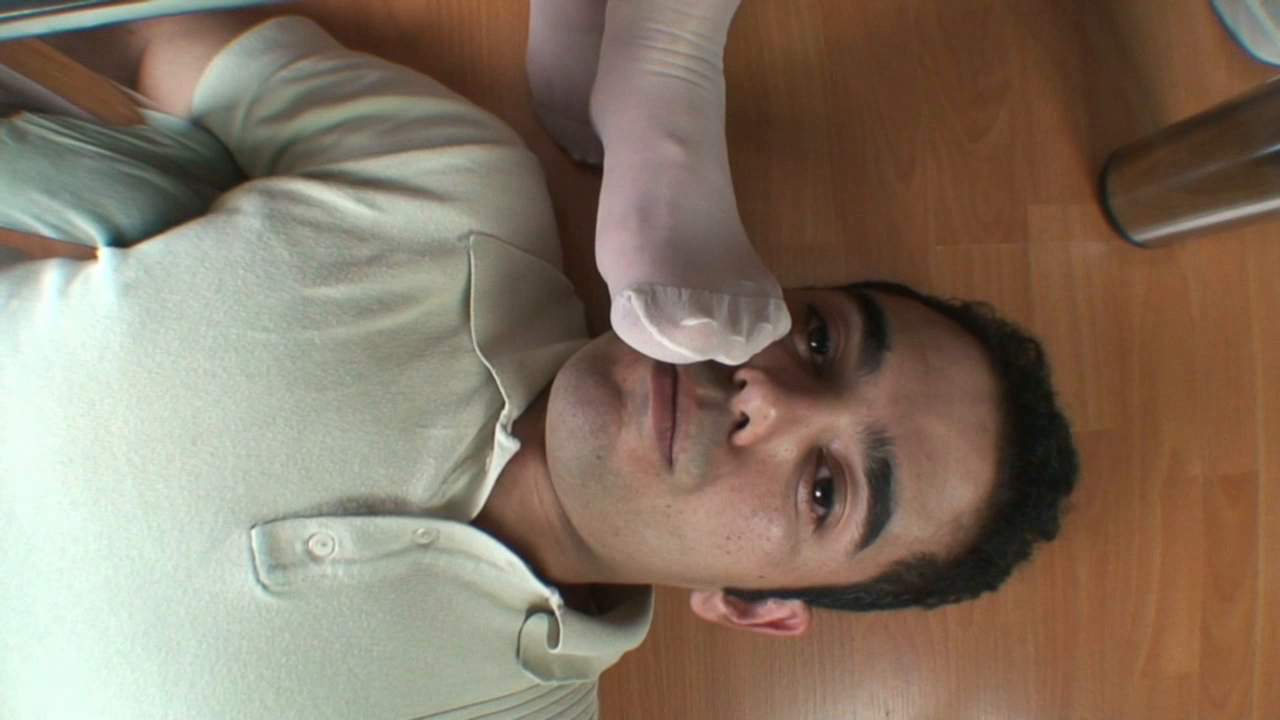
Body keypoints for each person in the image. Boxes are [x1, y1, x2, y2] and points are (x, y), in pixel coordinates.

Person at [0, 9, 1078, 720]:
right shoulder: (453, 183)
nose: (769, 396)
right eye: (820, 340)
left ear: (753, 607)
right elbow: (141, 32)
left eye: (826, 489)